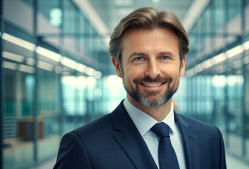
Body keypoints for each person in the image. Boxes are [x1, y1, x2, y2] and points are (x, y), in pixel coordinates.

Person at [54, 7, 227, 169]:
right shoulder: (83, 145)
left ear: (182, 65)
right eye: (139, 59)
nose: (153, 72)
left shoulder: (211, 138)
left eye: (164, 57)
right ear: (118, 66)